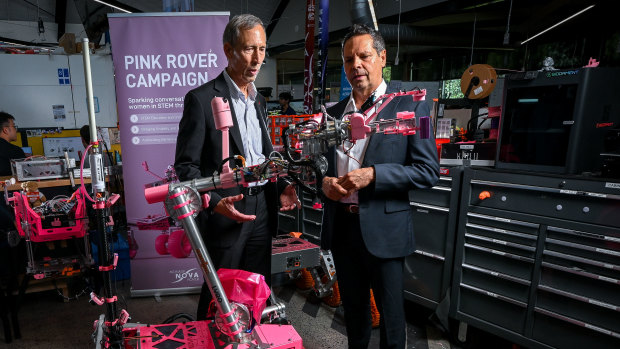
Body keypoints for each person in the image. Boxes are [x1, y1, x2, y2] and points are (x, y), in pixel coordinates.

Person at [174, 14, 300, 321]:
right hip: (227, 212)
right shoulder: (202, 100)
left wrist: (282, 185)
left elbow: (264, 155)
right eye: (248, 49)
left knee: (255, 289)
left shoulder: (258, 101)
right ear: (228, 50)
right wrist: (215, 204)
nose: (257, 58)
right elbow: (186, 167)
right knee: (219, 292)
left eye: (262, 49)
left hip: (262, 208)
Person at [321, 24, 439, 349]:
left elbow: (429, 171)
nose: (355, 65)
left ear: (382, 57)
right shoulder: (332, 115)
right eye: (348, 59)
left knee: (390, 318)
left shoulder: (415, 107)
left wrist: (374, 174)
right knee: (355, 317)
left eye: (364, 56)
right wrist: (324, 182)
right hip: (344, 229)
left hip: (385, 230)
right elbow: (318, 168)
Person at [0, 112, 25, 177]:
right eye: (14, 126)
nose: (16, 130)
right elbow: (26, 174)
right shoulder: (15, 151)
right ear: (6, 130)